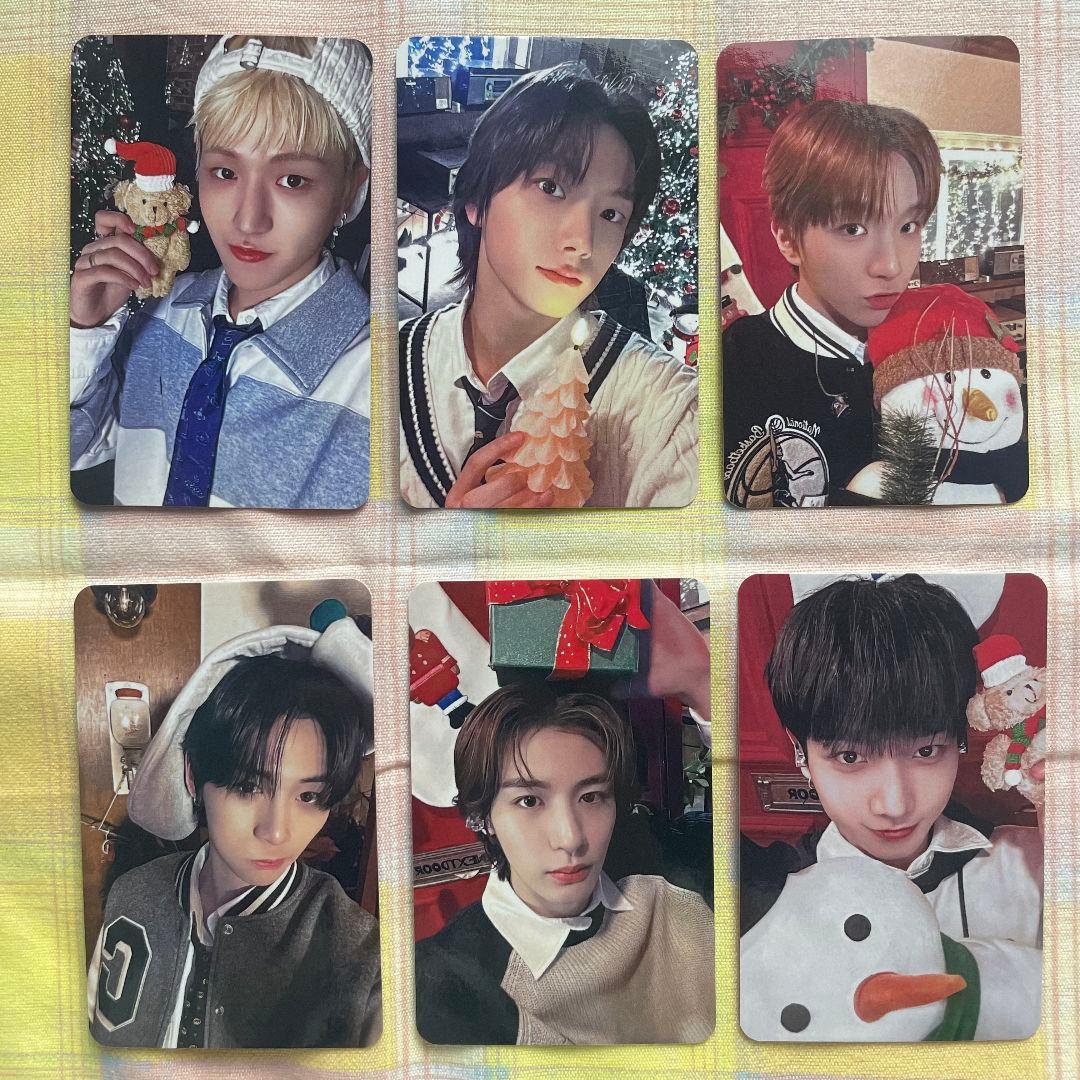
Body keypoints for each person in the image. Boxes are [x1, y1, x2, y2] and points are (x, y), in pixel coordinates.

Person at [69, 35, 372, 508]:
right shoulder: (160, 312)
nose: (248, 220)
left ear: (351, 189)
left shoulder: (378, 378)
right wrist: (86, 329)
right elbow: (72, 450)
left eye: (292, 180)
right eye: (225, 173)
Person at [741, 575, 1042, 1039]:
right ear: (800, 752)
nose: (894, 803)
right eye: (850, 757)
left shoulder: (1033, 866)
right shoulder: (772, 903)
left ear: (960, 739)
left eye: (926, 751)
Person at [397, 63, 699, 509]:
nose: (583, 242)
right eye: (552, 188)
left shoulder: (667, 411)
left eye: (610, 214)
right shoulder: (384, 364)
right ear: (477, 200)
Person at [87, 627, 381, 1048]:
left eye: (309, 796)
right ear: (194, 776)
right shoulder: (132, 894)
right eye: (247, 787)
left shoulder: (358, 952)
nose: (276, 832)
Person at [415, 685, 715, 1045]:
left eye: (591, 797)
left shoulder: (679, 877)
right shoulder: (446, 985)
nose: (571, 838)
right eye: (529, 801)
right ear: (484, 817)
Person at [722, 100, 942, 508]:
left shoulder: (934, 344)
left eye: (908, 226)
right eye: (853, 228)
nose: (891, 266)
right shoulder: (733, 367)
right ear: (788, 237)